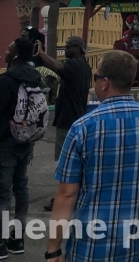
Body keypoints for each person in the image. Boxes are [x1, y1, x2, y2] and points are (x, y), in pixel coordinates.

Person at [46, 49, 139, 262]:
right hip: (136, 239)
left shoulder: (82, 127)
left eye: (96, 77)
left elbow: (66, 193)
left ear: (104, 82)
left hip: (90, 244)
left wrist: (53, 249)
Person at [0, 38, 45, 261]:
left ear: (15, 55)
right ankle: (17, 239)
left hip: (5, 143)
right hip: (26, 140)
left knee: (3, 195)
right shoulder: (35, 78)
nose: (5, 51)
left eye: (9, 49)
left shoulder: (7, 80)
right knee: (21, 189)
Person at [34, 35, 92, 210]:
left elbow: (58, 67)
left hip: (69, 122)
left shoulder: (75, 65)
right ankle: (75, 195)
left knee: (66, 163)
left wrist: (41, 54)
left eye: (68, 47)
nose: (65, 50)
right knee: (74, 162)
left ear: (78, 48)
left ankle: (65, 198)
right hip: (76, 119)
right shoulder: (84, 66)